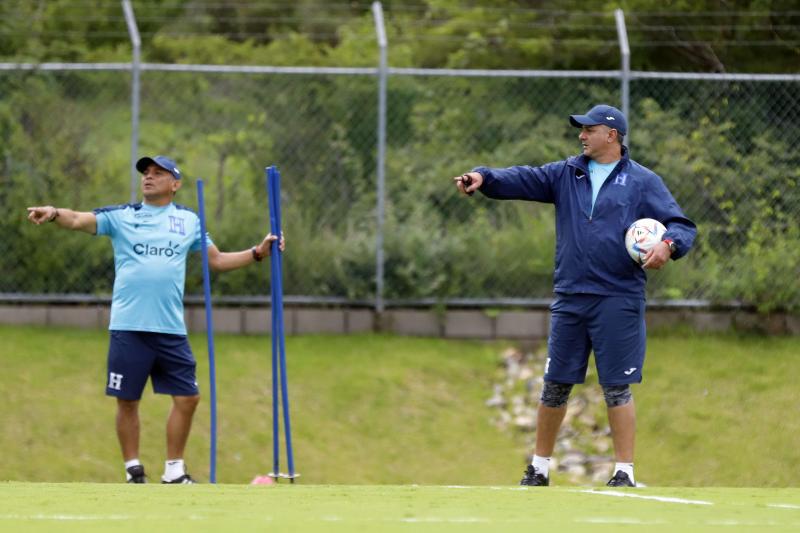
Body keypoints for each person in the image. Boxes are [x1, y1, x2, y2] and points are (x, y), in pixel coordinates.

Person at [453, 105, 696, 488]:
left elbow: (681, 225)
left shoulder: (642, 181)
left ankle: (624, 472)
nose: (581, 135)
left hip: (618, 296)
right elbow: (522, 178)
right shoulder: (566, 173)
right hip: (570, 297)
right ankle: (539, 468)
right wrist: (484, 177)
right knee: (555, 384)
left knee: (616, 385)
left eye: (589, 129)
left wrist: (668, 245)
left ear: (612, 135)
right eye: (581, 130)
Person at [27, 155, 285, 484]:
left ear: (175, 184)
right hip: (128, 326)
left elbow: (216, 260)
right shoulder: (123, 216)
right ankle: (134, 471)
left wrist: (258, 252)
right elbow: (78, 219)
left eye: (158, 173)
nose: (148, 178)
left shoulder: (189, 220)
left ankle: (174, 472)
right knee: (128, 401)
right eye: (145, 173)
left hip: (170, 328)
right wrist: (53, 213)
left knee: (189, 398)